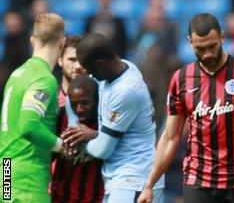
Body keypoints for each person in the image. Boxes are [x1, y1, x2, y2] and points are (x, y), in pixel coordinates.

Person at [137, 13, 234, 203]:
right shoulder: (181, 79)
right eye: (200, 48)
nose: (207, 54)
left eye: (212, 46)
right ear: (190, 43)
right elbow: (170, 137)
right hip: (198, 183)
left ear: (222, 37)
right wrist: (149, 185)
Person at [61, 33, 165, 203]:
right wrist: (76, 128)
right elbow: (72, 93)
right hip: (120, 179)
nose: (87, 73)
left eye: (88, 68)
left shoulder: (126, 90)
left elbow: (102, 150)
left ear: (99, 63)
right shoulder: (121, 68)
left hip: (135, 179)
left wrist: (84, 140)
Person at [0, 13, 67, 202]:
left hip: (6, 170)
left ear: (32, 40)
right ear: (62, 43)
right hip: (28, 179)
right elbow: (29, 124)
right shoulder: (43, 79)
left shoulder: (17, 74)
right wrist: (62, 147)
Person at [50, 75, 104, 202]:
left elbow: (118, 151)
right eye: (74, 104)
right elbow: (46, 155)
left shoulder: (105, 122)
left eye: (85, 103)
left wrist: (95, 135)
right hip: (60, 198)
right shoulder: (60, 117)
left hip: (94, 198)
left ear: (97, 100)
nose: (79, 109)